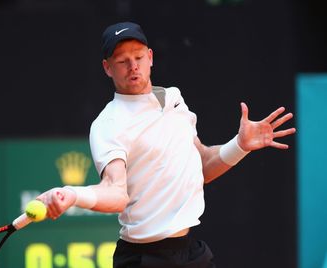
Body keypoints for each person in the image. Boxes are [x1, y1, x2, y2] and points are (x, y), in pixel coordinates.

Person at [37, 22, 296, 268]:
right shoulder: (108, 124)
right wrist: (73, 194)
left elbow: (203, 165)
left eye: (138, 57)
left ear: (150, 57)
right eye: (122, 61)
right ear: (107, 68)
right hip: (144, 259)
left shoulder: (173, 98)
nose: (133, 66)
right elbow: (115, 193)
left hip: (191, 253)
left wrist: (240, 145)